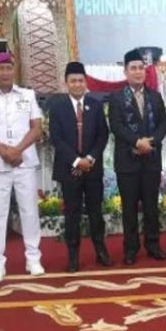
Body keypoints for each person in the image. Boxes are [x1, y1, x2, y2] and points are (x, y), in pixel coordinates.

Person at [0, 52, 44, 282]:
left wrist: (18, 150)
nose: (5, 72)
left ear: (14, 70)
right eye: (0, 69)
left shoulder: (28, 95)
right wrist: (4, 152)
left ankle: (33, 258)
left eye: (8, 68)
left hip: (25, 162)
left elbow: (36, 128)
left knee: (29, 211)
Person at [49, 62, 112, 272]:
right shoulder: (57, 107)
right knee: (72, 213)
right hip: (70, 170)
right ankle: (73, 256)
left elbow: (103, 135)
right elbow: (56, 138)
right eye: (73, 81)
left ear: (86, 82)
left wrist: (90, 159)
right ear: (66, 83)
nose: (77, 84)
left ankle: (100, 250)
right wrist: (77, 161)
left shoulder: (95, 105)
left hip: (92, 169)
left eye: (80, 80)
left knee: (96, 211)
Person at [109, 49, 166, 265]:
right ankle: (131, 249)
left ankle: (153, 245)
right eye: (133, 68)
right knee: (129, 208)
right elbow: (116, 126)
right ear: (125, 72)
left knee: (152, 206)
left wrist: (150, 143)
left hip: (151, 160)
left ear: (145, 71)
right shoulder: (117, 98)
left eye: (140, 68)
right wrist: (137, 142)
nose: (137, 72)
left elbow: (163, 123)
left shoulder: (155, 96)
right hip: (128, 163)